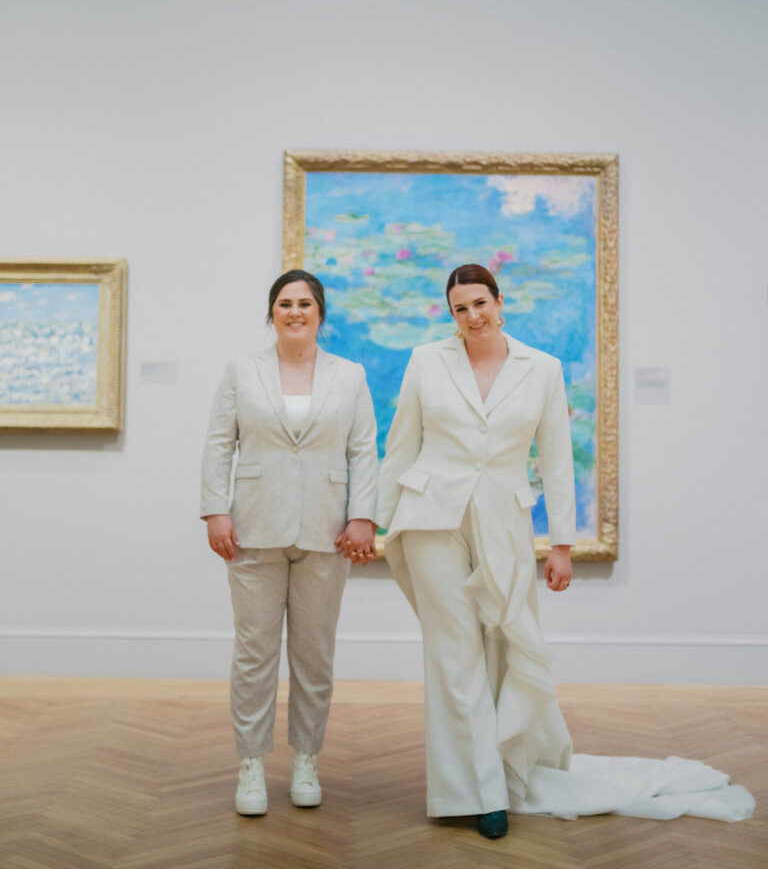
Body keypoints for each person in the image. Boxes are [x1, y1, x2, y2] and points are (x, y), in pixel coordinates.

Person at [375, 264, 754, 838]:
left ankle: (508, 768)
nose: (472, 316)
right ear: (449, 314)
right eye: (459, 308)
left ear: (501, 303)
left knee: (507, 645)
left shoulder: (542, 368)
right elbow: (400, 445)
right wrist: (369, 521)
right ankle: (476, 792)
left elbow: (555, 462)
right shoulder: (427, 361)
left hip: (504, 520)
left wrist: (562, 546)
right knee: (452, 653)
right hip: (430, 517)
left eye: (480, 303)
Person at [200, 269, 378, 816]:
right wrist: (215, 509)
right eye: (285, 303)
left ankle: (307, 760)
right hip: (252, 529)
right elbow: (218, 442)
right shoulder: (241, 370)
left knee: (313, 655)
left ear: (321, 314)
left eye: (305, 303)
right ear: (271, 313)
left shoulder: (349, 375)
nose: (295, 311)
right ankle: (250, 766)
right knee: (254, 655)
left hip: (328, 533)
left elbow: (363, 451)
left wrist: (363, 517)